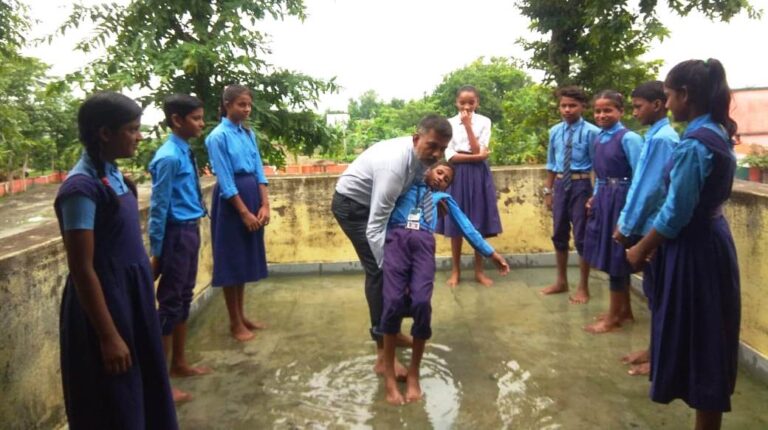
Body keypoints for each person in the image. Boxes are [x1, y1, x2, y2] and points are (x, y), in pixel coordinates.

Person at [627, 58, 740, 430]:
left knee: (701, 339)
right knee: (709, 336)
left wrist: (642, 247)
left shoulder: (694, 143)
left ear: (685, 95)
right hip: (710, 241)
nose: (668, 103)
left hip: (695, 252)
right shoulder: (716, 132)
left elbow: (676, 211)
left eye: (669, 95)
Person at [54, 91, 177, 429]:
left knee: (145, 388)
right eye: (132, 129)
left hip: (132, 300)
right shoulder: (81, 190)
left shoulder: (118, 179)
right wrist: (108, 335)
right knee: (114, 400)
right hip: (107, 306)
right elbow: (82, 268)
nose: (139, 137)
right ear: (105, 134)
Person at [332, 114, 452, 379]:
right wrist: (391, 267)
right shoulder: (393, 167)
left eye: (442, 148)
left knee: (393, 270)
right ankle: (381, 355)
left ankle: (393, 333)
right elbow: (375, 227)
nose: (437, 154)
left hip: (379, 207)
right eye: (432, 146)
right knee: (379, 272)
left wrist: (431, 200)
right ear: (415, 138)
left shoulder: (422, 159)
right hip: (353, 207)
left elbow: (419, 186)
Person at [380, 161, 510, 405]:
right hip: (395, 242)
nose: (441, 179)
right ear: (429, 170)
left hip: (423, 246)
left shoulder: (443, 200)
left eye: (447, 179)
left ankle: (414, 375)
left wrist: (492, 254)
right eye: (439, 172)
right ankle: (389, 377)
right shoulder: (404, 187)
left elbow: (467, 227)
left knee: (421, 303)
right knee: (393, 303)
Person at [148, 94, 212, 402]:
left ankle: (180, 363)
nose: (201, 123)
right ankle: (162, 383)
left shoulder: (184, 152)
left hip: (190, 230)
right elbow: (158, 208)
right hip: (175, 235)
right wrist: (157, 252)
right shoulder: (168, 157)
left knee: (183, 298)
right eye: (196, 118)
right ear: (177, 120)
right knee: (170, 303)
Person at [613, 81, 679, 375]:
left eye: (638, 106)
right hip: (649, 224)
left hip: (655, 228)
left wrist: (626, 226)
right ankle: (654, 350)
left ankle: (660, 360)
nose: (635, 112)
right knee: (654, 293)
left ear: (657, 104)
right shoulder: (654, 136)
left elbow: (650, 189)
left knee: (662, 295)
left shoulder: (664, 139)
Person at [205, 84, 270, 342]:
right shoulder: (217, 137)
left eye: (249, 104)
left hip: (252, 194)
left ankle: (242, 315)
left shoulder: (247, 134)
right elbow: (226, 179)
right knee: (231, 260)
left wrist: (265, 204)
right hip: (232, 204)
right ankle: (234, 322)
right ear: (228, 104)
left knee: (243, 259)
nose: (246, 109)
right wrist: (244, 212)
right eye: (241, 104)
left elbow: (259, 170)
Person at [582, 90, 642, 333]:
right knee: (608, 255)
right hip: (604, 200)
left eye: (608, 110)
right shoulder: (598, 139)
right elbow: (600, 175)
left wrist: (629, 211)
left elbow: (640, 176)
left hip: (622, 200)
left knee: (618, 257)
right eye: (598, 111)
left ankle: (613, 317)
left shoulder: (629, 139)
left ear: (621, 111)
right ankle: (624, 310)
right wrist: (595, 196)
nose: (602, 115)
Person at [437, 85, 502, 287]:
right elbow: (451, 156)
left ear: (477, 103)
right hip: (455, 175)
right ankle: (455, 270)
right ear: (456, 102)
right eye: (462, 102)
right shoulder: (447, 124)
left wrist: (467, 126)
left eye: (471, 102)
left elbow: (475, 148)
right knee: (456, 220)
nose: (467, 106)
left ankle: (479, 271)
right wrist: (478, 157)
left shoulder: (484, 122)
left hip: (478, 175)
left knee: (477, 222)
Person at [541, 86, 600, 304]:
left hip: (581, 185)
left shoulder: (592, 132)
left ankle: (583, 286)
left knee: (582, 236)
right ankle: (561, 281)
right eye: (563, 106)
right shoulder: (555, 131)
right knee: (559, 233)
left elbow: (598, 166)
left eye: (572, 106)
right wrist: (548, 191)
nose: (567, 110)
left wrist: (595, 195)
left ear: (582, 107)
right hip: (559, 186)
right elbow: (551, 164)